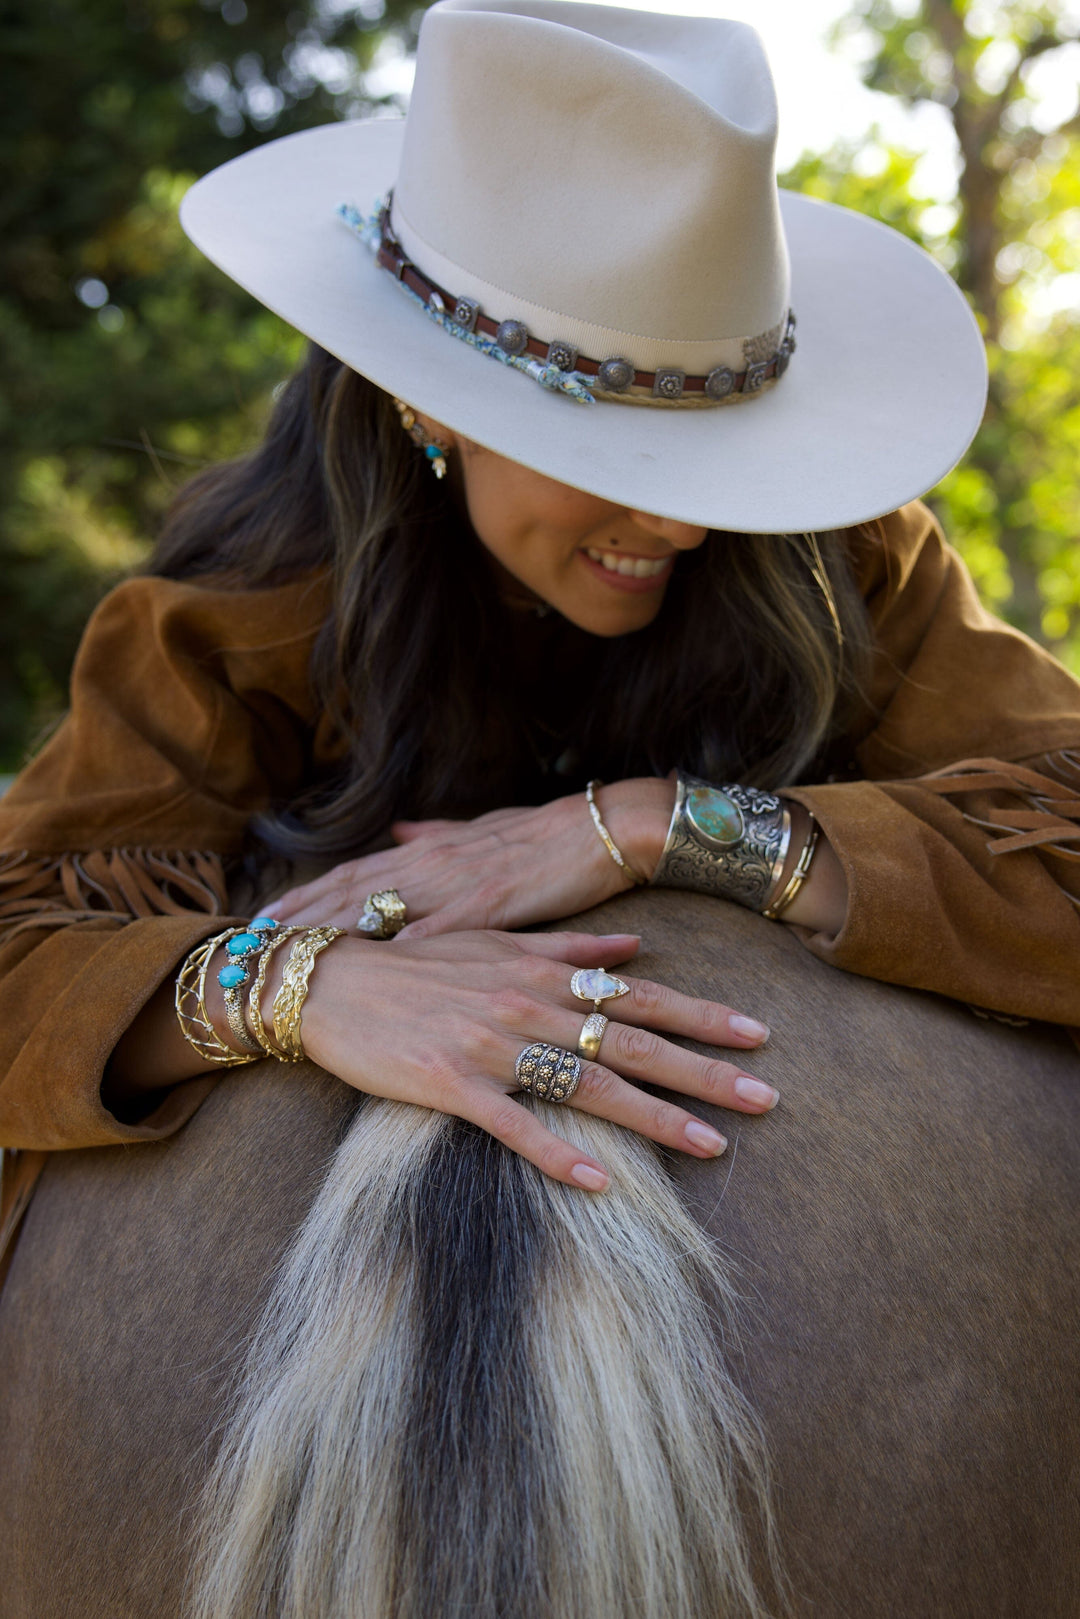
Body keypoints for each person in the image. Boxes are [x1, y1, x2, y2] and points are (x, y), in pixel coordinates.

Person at [3, 5, 1080, 1613]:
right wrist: (306, 990)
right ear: (430, 403)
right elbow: (20, 932)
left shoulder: (850, 564)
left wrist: (652, 826)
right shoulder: (230, 623)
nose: (675, 518)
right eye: (606, 437)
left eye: (710, 442)